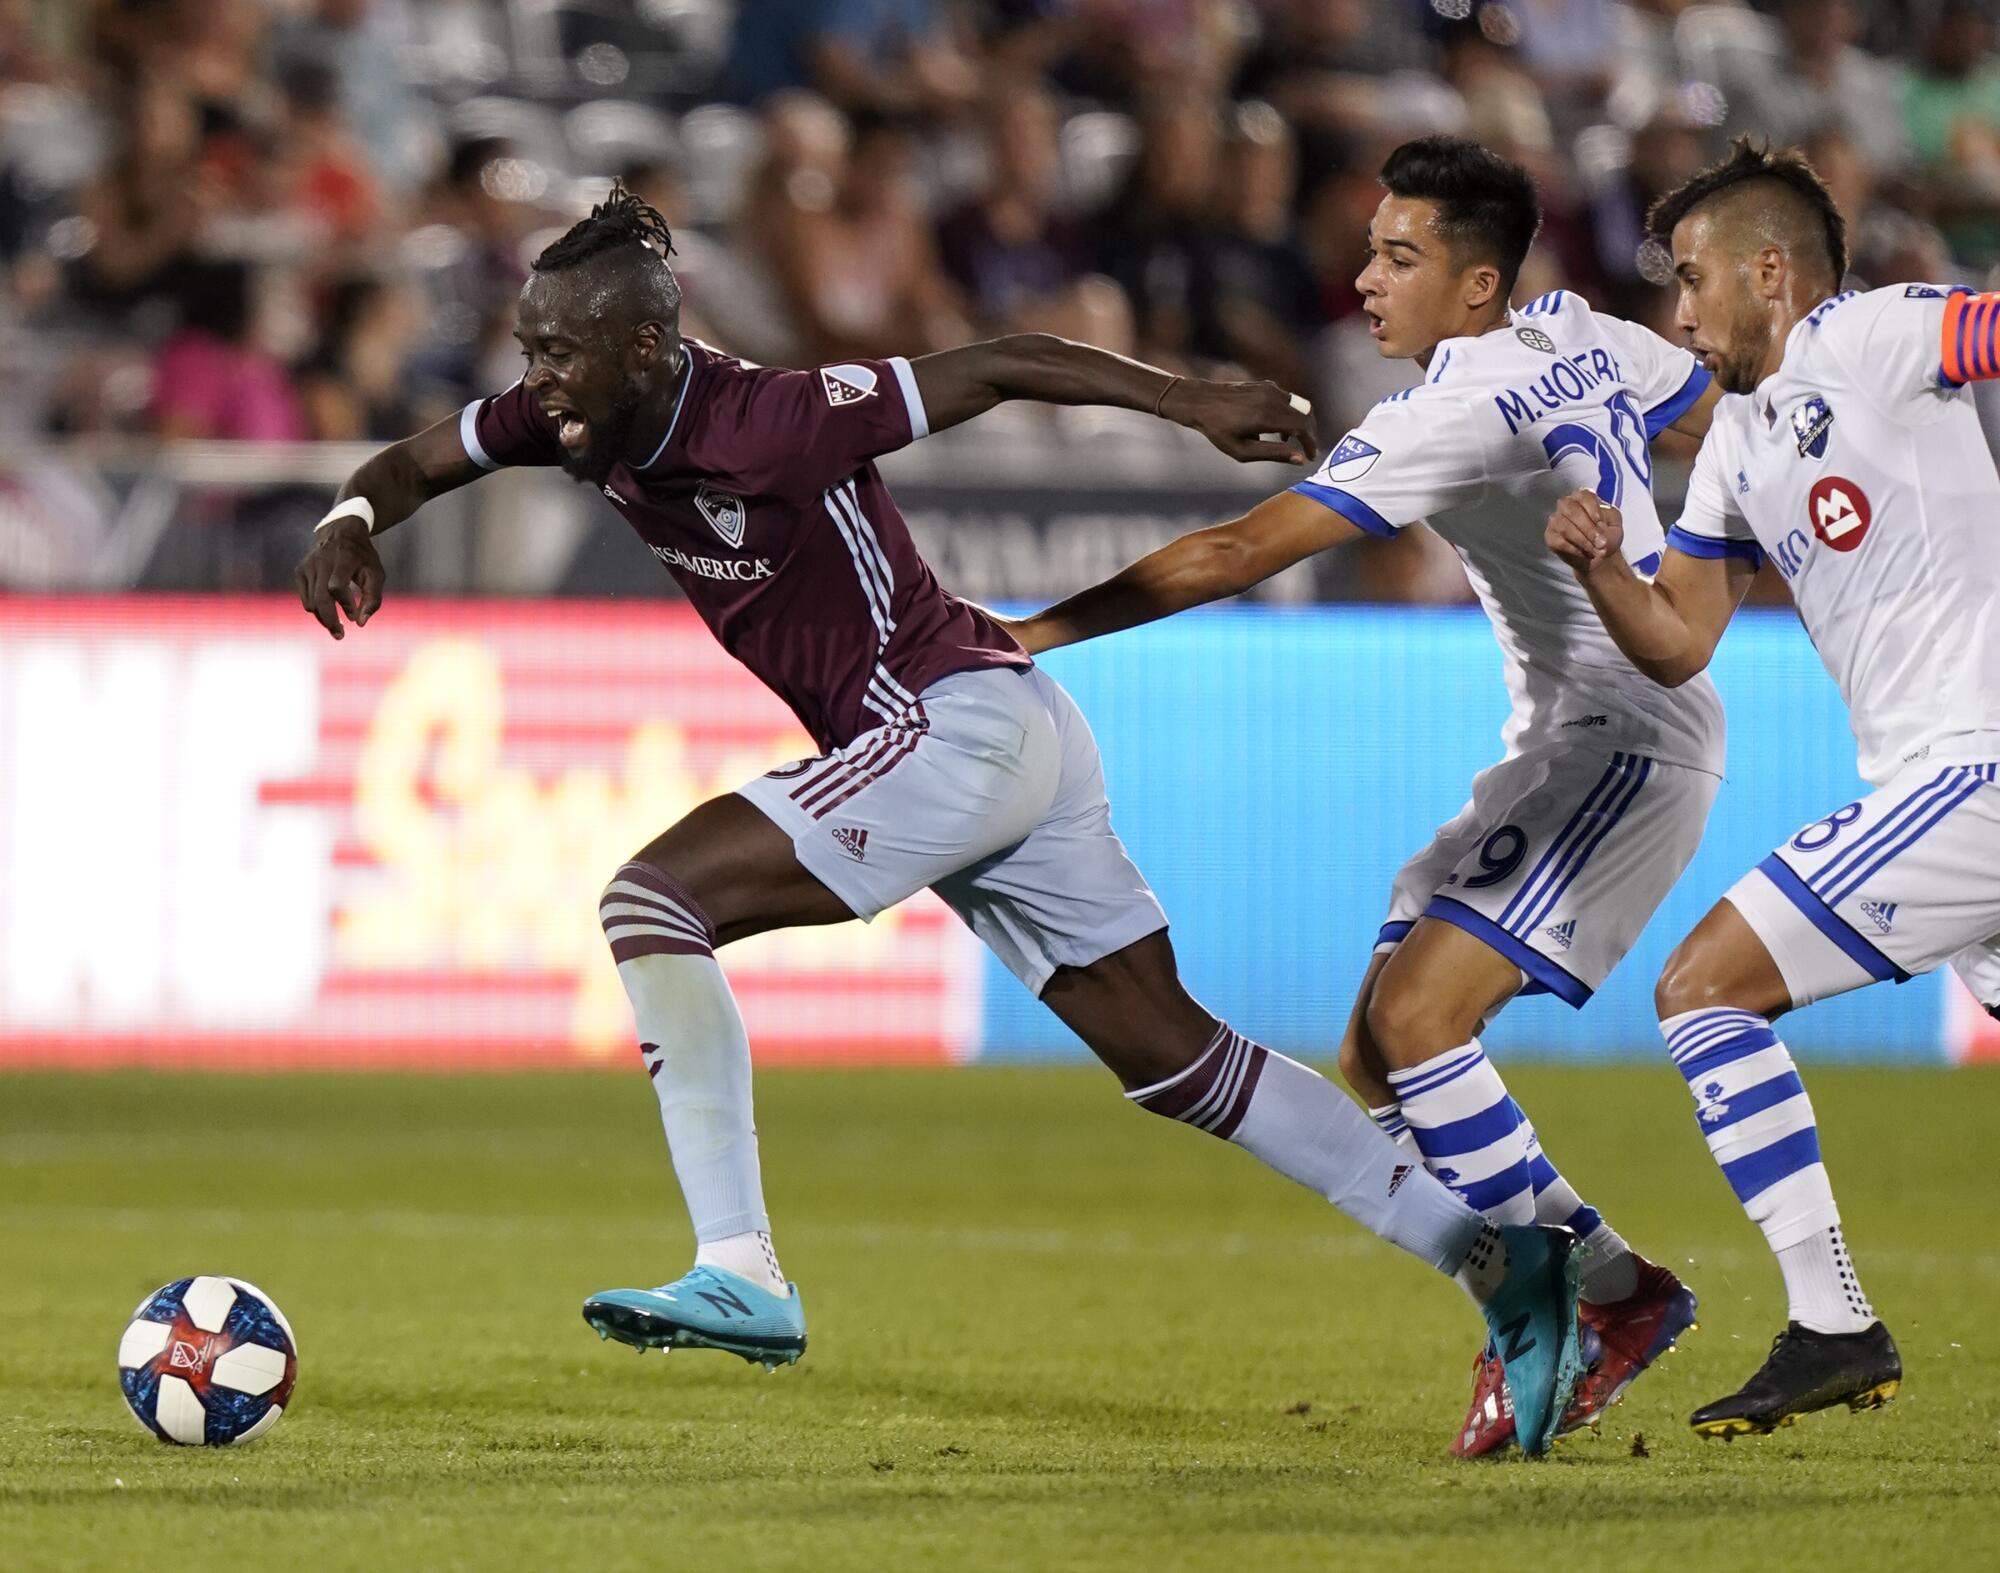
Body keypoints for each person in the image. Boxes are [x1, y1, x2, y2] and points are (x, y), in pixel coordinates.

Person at [294, 185, 1588, 1455]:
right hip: (996, 734)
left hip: (949, 722)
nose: (539, 381)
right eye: (531, 351)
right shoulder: (571, 414)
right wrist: (353, 518)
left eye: (561, 353)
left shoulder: (771, 415)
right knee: (1180, 1061)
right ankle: (1498, 1260)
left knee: (652, 902)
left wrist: (1192, 401)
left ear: (645, 347)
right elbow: (416, 458)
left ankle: (741, 1267)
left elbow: (1005, 362)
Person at [1007, 136, 1722, 1455]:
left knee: (1421, 1017)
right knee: (1378, 1049)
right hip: (1572, 741)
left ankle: (1559, 1298)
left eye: (1400, 255)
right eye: (1369, 247)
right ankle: (1617, 1289)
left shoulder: (1456, 409)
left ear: (1477, 283)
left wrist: (1026, 636)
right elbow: (1715, 413)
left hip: (1627, 743)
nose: (1364, 278)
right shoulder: (1584, 333)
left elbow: (1234, 549)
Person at [1541, 138, 1995, 1437]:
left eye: (1692, 279)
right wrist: (1601, 569)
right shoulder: (1737, 443)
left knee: (1703, 991)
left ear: (1772, 272)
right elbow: (1681, 635)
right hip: (1945, 785)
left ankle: (1834, 1322)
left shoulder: (1878, 334)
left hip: (1974, 768)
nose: (1678, 313)